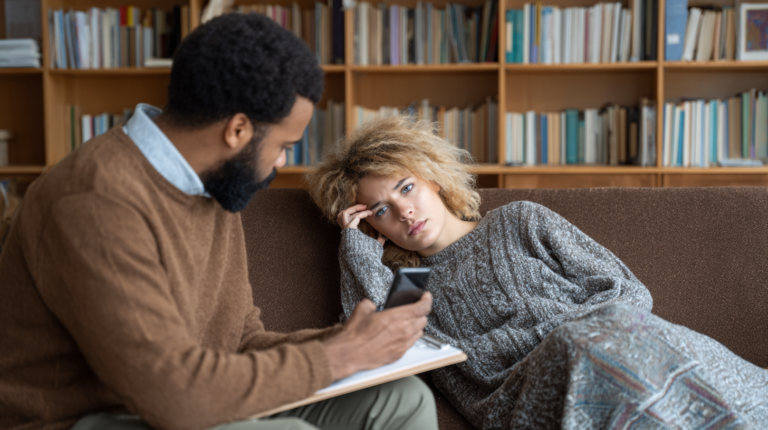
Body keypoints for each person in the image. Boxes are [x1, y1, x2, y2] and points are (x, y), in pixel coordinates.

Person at [0, 14, 439, 430]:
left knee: (401, 400)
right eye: (284, 145)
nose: (281, 163)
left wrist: (352, 342)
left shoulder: (213, 188)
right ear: (237, 131)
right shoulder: (94, 200)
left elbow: (240, 340)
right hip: (88, 417)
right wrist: (339, 356)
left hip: (192, 396)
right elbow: (170, 395)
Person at [307, 114, 768, 429]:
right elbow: (379, 349)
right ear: (372, 224)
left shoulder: (521, 220)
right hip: (524, 399)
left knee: (591, 337)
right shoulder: (413, 286)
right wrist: (358, 252)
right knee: (574, 341)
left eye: (407, 187)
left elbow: (627, 290)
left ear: (433, 176)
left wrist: (589, 332)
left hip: (618, 351)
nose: (405, 212)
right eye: (382, 209)